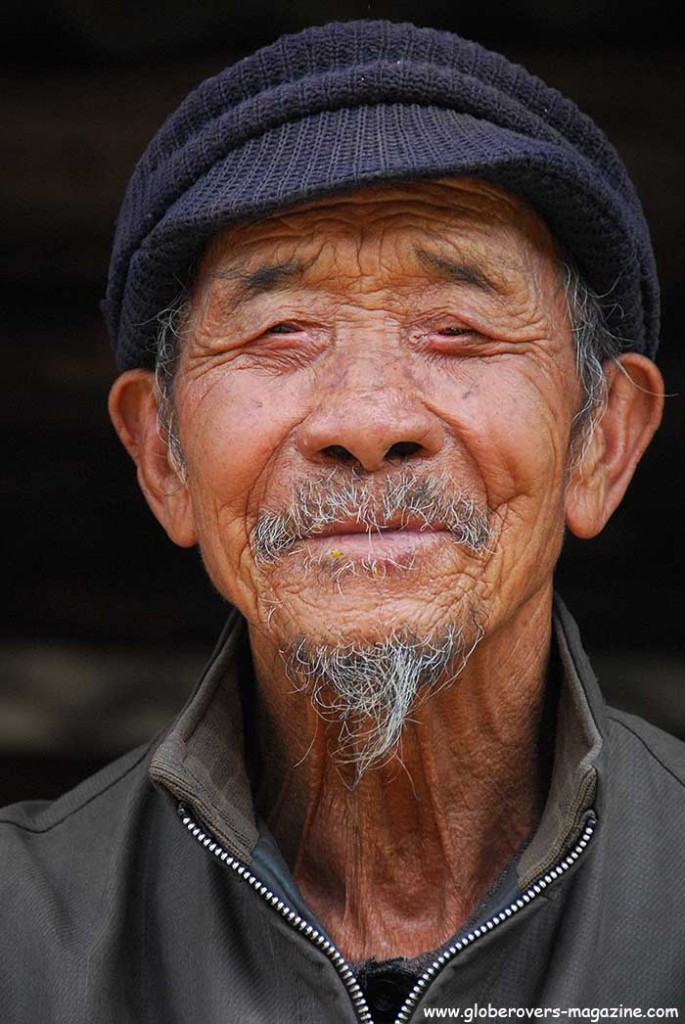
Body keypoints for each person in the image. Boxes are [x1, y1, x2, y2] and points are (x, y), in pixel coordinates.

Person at [1, 20, 683, 1024]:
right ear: (163, 459)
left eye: (458, 330)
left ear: (602, 444)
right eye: (279, 332)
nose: (367, 421)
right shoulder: (23, 932)